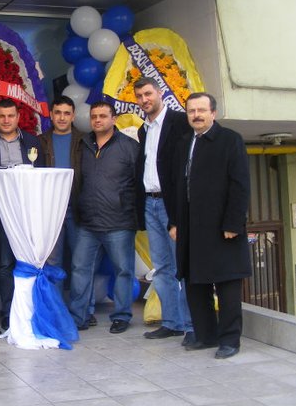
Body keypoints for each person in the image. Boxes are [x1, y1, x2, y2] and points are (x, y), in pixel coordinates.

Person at [169, 92, 251, 359]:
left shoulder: (230, 140)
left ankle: (229, 340)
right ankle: (206, 336)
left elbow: (240, 184)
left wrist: (233, 222)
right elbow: (178, 186)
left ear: (213, 113)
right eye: (191, 111)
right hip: (191, 227)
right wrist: (175, 222)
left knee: (227, 285)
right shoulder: (184, 143)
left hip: (222, 227)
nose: (196, 115)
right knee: (195, 283)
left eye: (201, 110)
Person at [133, 78, 194, 345]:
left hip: (173, 204)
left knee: (185, 265)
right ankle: (172, 323)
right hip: (150, 203)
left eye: (148, 93)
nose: (144, 99)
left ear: (160, 93)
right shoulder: (143, 130)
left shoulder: (180, 122)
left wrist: (181, 210)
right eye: (139, 96)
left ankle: (192, 325)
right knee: (162, 268)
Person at [69, 101, 139, 333]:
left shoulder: (129, 146)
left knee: (123, 271)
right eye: (94, 116)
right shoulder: (83, 144)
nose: (97, 120)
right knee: (80, 269)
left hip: (119, 222)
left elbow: (138, 183)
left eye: (102, 116)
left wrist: (130, 211)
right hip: (88, 222)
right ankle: (79, 317)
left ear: (114, 119)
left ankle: (121, 316)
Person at [0, 98, 42, 330]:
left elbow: (41, 176)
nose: (6, 120)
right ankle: (8, 312)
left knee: (29, 262)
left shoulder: (32, 141)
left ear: (18, 117)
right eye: (1, 116)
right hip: (1, 214)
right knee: (4, 264)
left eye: (11, 116)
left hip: (27, 214)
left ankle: (29, 310)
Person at [38, 96, 83, 296]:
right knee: (53, 262)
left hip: (77, 209)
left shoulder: (84, 141)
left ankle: (81, 309)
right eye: (58, 113)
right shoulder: (41, 141)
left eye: (66, 113)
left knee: (80, 262)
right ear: (51, 115)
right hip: (50, 211)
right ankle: (55, 308)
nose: (62, 117)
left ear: (73, 116)